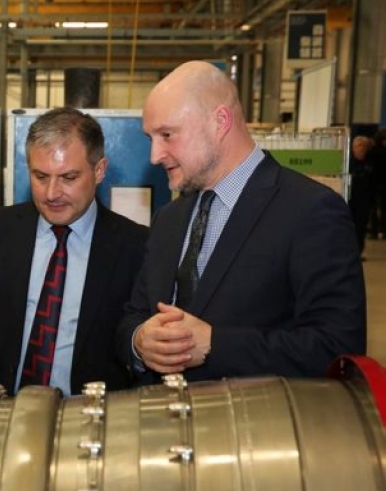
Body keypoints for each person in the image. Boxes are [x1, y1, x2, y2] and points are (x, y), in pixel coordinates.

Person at [117, 60, 366, 385]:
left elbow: (337, 348)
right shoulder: (170, 218)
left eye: (167, 134)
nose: (154, 155)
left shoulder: (311, 211)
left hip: (256, 429)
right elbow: (132, 316)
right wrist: (139, 341)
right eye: (151, 137)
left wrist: (215, 345)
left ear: (220, 121)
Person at [0, 107, 149, 396]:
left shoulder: (136, 247)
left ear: (99, 171)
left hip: (90, 419)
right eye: (40, 176)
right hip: (3, 410)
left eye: (68, 178)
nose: (51, 193)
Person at [348, 135, 374, 258]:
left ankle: (358, 251)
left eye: (363, 147)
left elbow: (374, 182)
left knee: (361, 227)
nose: (361, 149)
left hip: (364, 201)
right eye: (358, 146)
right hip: (350, 200)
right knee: (349, 227)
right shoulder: (348, 163)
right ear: (353, 148)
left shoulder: (371, 162)